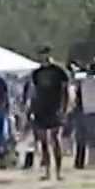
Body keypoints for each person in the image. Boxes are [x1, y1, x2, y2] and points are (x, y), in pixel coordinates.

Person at [30, 47, 70, 181]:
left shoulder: (59, 71)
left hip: (55, 108)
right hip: (40, 109)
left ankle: (58, 172)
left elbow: (65, 91)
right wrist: (31, 109)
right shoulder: (36, 73)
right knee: (43, 142)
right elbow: (34, 92)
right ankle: (47, 171)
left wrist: (64, 108)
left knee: (55, 139)